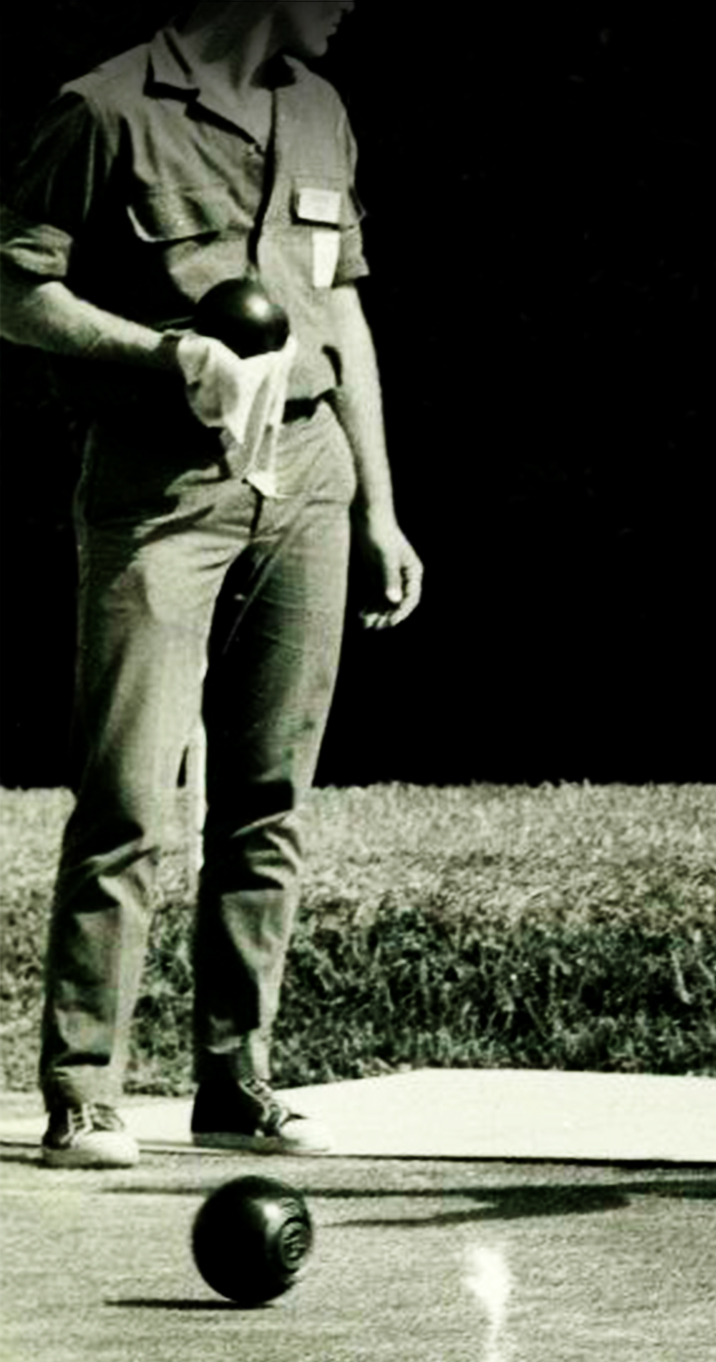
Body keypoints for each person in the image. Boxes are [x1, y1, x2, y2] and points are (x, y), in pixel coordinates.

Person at [0, 0, 422, 1170]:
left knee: (268, 794)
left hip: (310, 470)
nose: (352, 3)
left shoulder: (321, 110)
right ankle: (85, 1093)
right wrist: (163, 353)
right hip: (159, 479)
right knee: (131, 793)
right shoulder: (104, 110)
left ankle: (237, 1085)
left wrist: (378, 505)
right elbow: (15, 291)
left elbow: (341, 309)